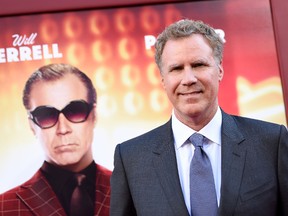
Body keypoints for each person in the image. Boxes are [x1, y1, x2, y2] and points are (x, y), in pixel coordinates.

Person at [110, 19, 288, 216]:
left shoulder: (271, 142)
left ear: (219, 70)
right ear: (163, 80)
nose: (188, 79)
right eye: (176, 68)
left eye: (198, 65)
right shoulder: (131, 159)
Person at [0, 63, 111, 216]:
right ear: (32, 125)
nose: (63, 129)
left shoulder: (134, 189)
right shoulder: (4, 207)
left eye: (75, 111)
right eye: (46, 115)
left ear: (94, 116)